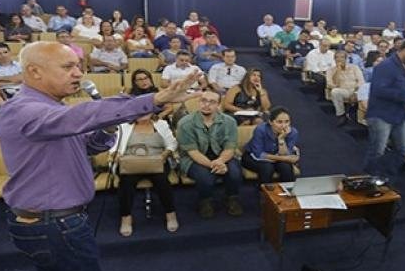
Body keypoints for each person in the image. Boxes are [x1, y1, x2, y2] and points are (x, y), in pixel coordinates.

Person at [0, 41, 200, 271]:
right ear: (33, 71)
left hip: (47, 223)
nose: (78, 72)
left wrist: (107, 126)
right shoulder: (23, 109)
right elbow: (81, 116)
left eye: (78, 66)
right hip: (55, 225)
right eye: (67, 67)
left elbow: (88, 143)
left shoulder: (51, 110)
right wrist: (153, 98)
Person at [364, 36, 405, 179]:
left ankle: (386, 178)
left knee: (403, 149)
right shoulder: (385, 66)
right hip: (381, 114)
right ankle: (371, 179)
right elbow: (380, 91)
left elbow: (403, 89)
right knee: (377, 151)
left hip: (400, 114)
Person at [177, 89, 243, 218]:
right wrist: (214, 164)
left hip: (221, 155)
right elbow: (193, 152)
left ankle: (232, 198)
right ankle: (205, 201)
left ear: (219, 105)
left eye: (212, 102)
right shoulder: (185, 123)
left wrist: (220, 161)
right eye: (203, 101)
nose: (206, 105)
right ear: (199, 102)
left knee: (235, 173)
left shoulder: (229, 122)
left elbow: (230, 148)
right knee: (205, 178)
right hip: (193, 158)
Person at [113, 112, 179, 237]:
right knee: (126, 182)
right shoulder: (123, 126)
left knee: (162, 181)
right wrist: (116, 155)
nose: (143, 113)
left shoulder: (161, 124)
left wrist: (165, 154)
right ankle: (126, 217)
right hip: (130, 162)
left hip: (157, 161)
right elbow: (113, 146)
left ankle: (170, 214)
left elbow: (172, 144)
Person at [242, 106, 299, 184]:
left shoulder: (293, 132)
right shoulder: (261, 130)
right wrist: (285, 159)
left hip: (276, 157)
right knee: (267, 168)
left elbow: (285, 154)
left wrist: (281, 139)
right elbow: (259, 154)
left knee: (286, 168)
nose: (284, 125)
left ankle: (287, 192)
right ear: (270, 122)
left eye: (287, 121)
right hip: (252, 157)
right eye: (279, 122)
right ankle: (264, 194)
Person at [326, 50, 365, 125]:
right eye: (337, 57)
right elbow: (330, 84)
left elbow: (361, 81)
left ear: (346, 59)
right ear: (334, 59)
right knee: (335, 92)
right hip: (343, 90)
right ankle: (341, 115)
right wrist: (338, 71)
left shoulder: (354, 67)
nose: (339, 59)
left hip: (355, 90)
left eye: (342, 57)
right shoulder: (331, 70)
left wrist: (356, 93)